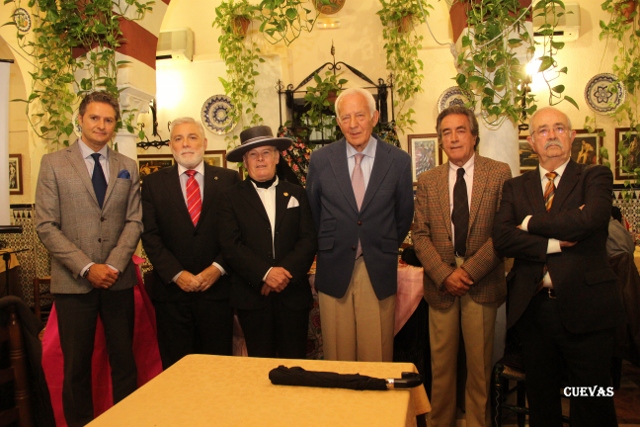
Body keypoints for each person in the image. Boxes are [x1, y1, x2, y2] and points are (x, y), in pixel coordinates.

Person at [493, 106, 622, 427]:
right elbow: (503, 238)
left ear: (572, 136)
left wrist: (529, 223)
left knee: (592, 401)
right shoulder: (515, 187)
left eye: (559, 128)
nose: (552, 135)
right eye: (543, 130)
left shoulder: (595, 176)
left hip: (588, 309)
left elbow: (590, 220)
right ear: (531, 142)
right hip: (534, 311)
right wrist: (554, 242)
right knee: (542, 404)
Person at [35, 91, 142, 427]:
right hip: (73, 283)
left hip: (117, 281)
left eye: (108, 120)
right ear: (80, 119)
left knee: (124, 363)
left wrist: (112, 266)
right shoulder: (53, 163)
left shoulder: (127, 166)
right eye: (94, 118)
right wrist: (87, 267)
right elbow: (46, 225)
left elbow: (134, 221)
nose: (101, 125)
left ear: (115, 124)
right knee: (76, 368)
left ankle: (126, 422)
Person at [412, 105, 511, 427]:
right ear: (441, 140)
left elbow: (503, 233)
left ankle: (478, 423)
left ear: (474, 136)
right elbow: (420, 235)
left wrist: (468, 271)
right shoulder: (428, 180)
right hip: (441, 284)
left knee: (479, 369)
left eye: (460, 130)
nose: (453, 138)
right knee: (441, 368)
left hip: (481, 280)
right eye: (446, 132)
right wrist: (445, 274)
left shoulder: (498, 173)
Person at [306, 87, 414, 362]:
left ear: (374, 117)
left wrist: (379, 243)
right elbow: (313, 213)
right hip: (334, 268)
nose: (353, 124)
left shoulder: (398, 161)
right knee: (338, 357)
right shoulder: (321, 160)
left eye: (360, 116)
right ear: (338, 122)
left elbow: (403, 215)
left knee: (376, 356)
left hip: (376, 267)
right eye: (345, 117)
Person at [141, 117, 240, 369]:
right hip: (172, 297)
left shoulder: (229, 180)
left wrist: (217, 268)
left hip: (217, 294)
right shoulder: (153, 184)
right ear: (171, 146)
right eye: (178, 138)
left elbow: (237, 233)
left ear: (204, 143)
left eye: (192, 137)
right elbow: (150, 236)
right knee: (177, 373)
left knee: (217, 370)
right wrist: (177, 274)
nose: (185, 143)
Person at [217, 126, 317, 358]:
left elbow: (308, 239)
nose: (260, 159)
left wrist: (282, 274)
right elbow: (231, 245)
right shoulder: (229, 198)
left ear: (277, 157)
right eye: (253, 154)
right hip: (252, 298)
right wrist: (265, 274)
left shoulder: (297, 193)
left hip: (292, 296)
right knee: (259, 368)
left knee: (295, 364)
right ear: (245, 161)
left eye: (266, 152)